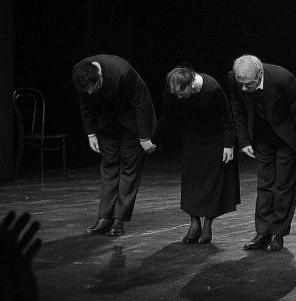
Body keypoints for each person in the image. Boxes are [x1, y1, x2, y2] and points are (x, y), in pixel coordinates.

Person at [145, 64, 240, 244]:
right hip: (192, 137)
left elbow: (226, 117)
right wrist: (154, 139)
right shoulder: (173, 89)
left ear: (190, 84)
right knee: (191, 182)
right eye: (176, 94)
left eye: (182, 93)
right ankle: (194, 223)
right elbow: (166, 115)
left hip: (215, 138)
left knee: (212, 183)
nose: (178, 98)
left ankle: (208, 224)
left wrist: (229, 145)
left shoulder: (211, 88)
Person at [228, 55, 296, 251]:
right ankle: (262, 232)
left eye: (249, 84)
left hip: (286, 139)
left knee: (283, 186)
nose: (244, 88)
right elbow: (237, 109)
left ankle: (277, 233)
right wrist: (244, 140)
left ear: (260, 73)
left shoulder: (283, 78)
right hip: (261, 138)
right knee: (264, 184)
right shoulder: (235, 78)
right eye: (241, 84)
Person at [73, 54, 157, 237]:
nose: (90, 93)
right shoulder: (80, 72)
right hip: (105, 122)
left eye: (93, 88)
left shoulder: (122, 73)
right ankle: (104, 218)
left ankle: (119, 220)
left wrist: (144, 137)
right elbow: (84, 103)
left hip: (132, 121)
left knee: (129, 167)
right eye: (87, 90)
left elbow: (141, 103)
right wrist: (91, 133)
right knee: (109, 166)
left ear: (100, 77)